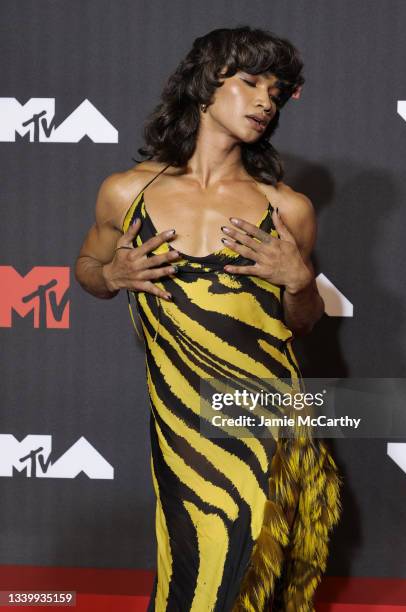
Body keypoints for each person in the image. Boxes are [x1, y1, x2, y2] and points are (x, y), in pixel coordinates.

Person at [75, 25, 342, 612]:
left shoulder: (286, 207)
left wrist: (299, 282)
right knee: (191, 567)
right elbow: (88, 268)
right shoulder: (127, 192)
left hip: (266, 418)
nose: (266, 100)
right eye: (250, 82)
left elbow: (303, 322)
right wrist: (111, 276)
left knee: (251, 575)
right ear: (204, 87)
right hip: (179, 422)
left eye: (276, 90)